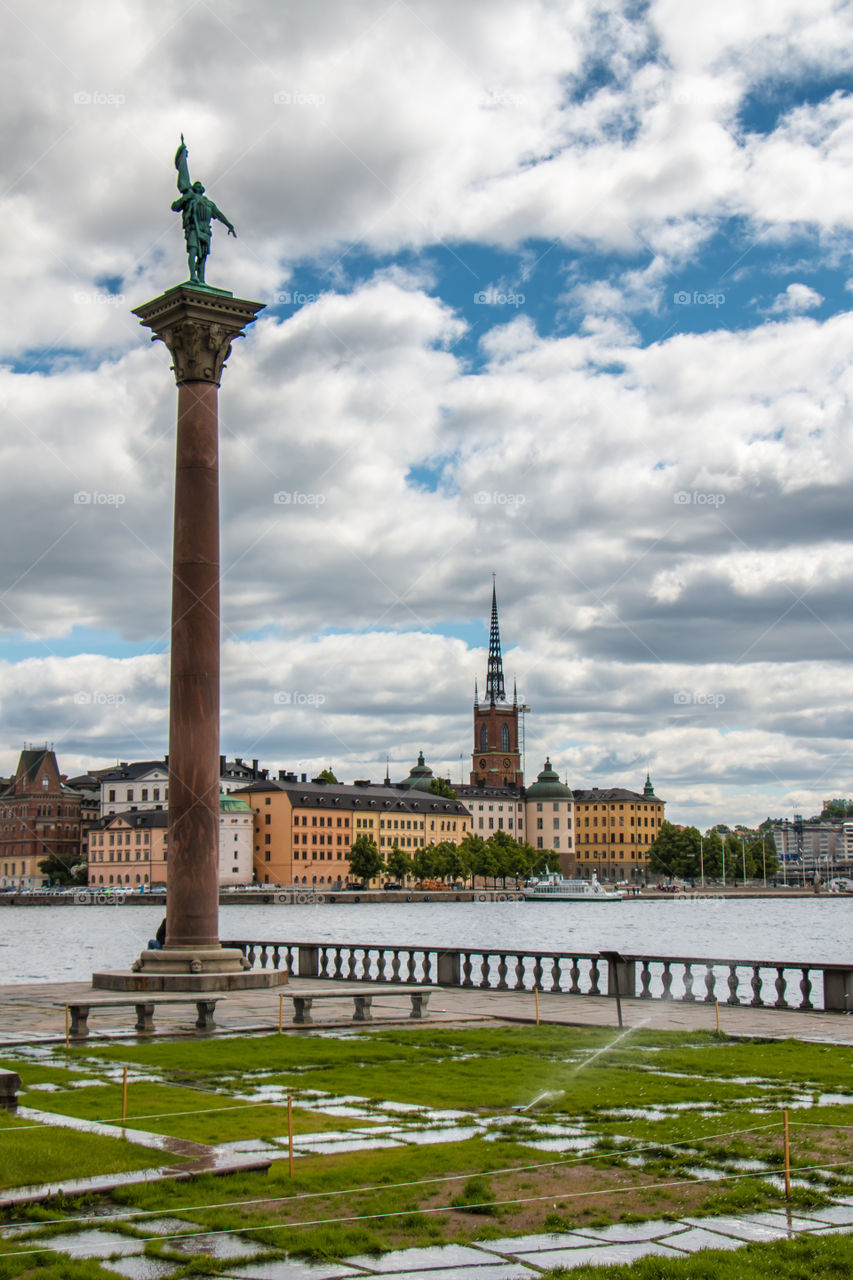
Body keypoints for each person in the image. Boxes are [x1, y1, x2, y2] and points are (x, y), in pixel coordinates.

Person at [172, 136, 236, 285]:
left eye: (201, 185)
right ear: (194, 188)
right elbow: (174, 207)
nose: (199, 186)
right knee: (193, 251)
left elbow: (219, 214)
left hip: (205, 230)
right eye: (197, 185)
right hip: (194, 228)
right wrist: (185, 198)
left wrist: (229, 225)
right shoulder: (190, 197)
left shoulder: (208, 203)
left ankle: (201, 278)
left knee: (203, 256)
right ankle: (192, 276)